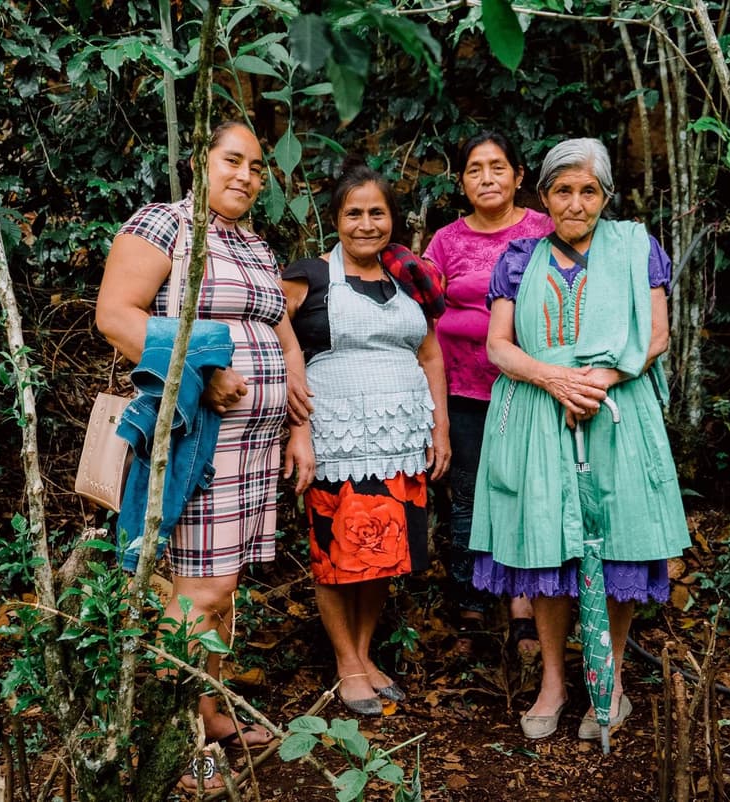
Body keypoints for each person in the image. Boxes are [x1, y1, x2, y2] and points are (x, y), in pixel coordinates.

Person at [96, 120, 312, 789]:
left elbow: (280, 329)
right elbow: (116, 314)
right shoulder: (166, 224)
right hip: (200, 437)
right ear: (200, 162)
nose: (246, 175)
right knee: (198, 591)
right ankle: (176, 741)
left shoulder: (251, 241)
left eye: (256, 167)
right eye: (232, 161)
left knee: (225, 591)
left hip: (255, 443)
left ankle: (212, 712)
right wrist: (201, 370)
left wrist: (298, 426)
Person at [469, 137, 691, 741]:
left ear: (606, 196)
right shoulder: (519, 258)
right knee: (547, 546)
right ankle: (553, 683)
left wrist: (603, 377)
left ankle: (609, 681)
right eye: (563, 191)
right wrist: (557, 378)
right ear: (543, 197)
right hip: (542, 415)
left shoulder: (635, 247)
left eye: (588, 191)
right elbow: (497, 346)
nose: (575, 203)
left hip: (618, 410)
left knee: (620, 544)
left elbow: (658, 334)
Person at [281, 163, 451, 716]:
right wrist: (295, 423)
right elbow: (272, 336)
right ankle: (346, 665)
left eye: (377, 212)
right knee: (337, 554)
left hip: (402, 436)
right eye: (353, 213)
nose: (365, 223)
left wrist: (440, 425)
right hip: (338, 436)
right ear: (335, 220)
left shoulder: (407, 278)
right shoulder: (312, 275)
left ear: (392, 219)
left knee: (383, 553)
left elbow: (430, 353)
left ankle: (363, 655)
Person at [424, 131, 553, 664]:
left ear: (520, 176)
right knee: (469, 497)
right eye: (475, 169)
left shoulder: (545, 230)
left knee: (525, 493)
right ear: (461, 182)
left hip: (531, 387)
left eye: (498, 167)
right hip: (462, 389)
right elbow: (421, 307)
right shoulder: (445, 241)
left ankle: (523, 607)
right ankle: (472, 607)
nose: (487, 178)